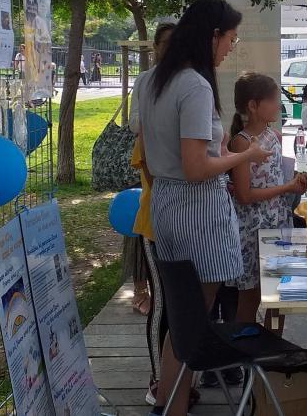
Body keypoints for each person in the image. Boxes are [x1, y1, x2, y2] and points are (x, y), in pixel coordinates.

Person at [135, 0, 270, 416]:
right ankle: (171, 404)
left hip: (166, 203)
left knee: (182, 323)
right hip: (197, 209)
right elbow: (197, 168)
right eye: (230, 37)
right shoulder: (193, 84)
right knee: (192, 327)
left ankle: (168, 403)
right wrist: (243, 156)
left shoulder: (152, 78)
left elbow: (151, 145)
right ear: (213, 35)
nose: (232, 46)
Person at [228, 73, 307, 328]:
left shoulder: (274, 135)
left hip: (277, 221)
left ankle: (272, 351)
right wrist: (285, 187)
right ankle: (245, 353)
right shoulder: (241, 143)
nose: (279, 105)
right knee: (251, 295)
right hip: (252, 228)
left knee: (279, 291)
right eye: (274, 100)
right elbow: (244, 195)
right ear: (253, 106)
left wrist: (299, 179)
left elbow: (278, 174)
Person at [129, 22, 176, 406]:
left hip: (185, 222)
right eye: (164, 45)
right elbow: (145, 154)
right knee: (163, 302)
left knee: (184, 305)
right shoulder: (146, 85)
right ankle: (159, 380)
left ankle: (180, 379)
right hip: (157, 217)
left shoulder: (192, 84)